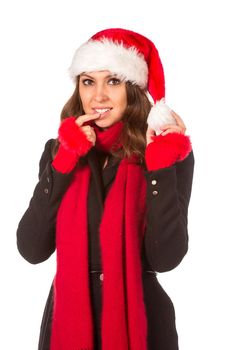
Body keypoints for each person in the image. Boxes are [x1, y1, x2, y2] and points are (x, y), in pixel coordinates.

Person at [16, 28, 194, 350]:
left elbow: (166, 257)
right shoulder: (59, 151)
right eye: (88, 81)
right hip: (66, 323)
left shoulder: (166, 153)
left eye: (112, 81)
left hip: (142, 324)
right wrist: (64, 162)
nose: (98, 96)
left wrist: (161, 167)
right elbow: (32, 248)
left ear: (133, 88)